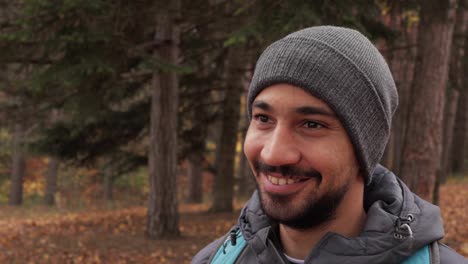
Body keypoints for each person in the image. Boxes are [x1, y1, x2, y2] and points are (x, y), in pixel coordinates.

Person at [192, 26, 467, 264]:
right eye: (264, 118)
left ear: (365, 150)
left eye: (311, 124)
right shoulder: (215, 259)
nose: (274, 152)